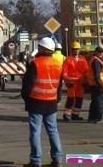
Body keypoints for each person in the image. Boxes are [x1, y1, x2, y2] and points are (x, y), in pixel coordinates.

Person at [21, 37, 63, 167]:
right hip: (51, 102)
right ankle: (57, 159)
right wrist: (58, 98)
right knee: (53, 130)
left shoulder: (36, 63)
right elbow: (59, 85)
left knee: (35, 132)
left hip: (36, 101)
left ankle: (36, 160)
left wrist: (25, 97)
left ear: (42, 49)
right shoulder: (57, 64)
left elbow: (28, 84)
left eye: (39, 47)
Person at [61, 41, 89, 121]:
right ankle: (66, 114)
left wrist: (86, 80)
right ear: (72, 50)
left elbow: (86, 70)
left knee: (79, 99)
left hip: (80, 82)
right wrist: (66, 81)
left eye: (77, 49)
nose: (76, 51)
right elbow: (64, 71)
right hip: (72, 83)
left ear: (79, 50)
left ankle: (75, 115)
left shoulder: (82, 59)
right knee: (71, 99)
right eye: (74, 49)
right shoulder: (68, 60)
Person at [86, 45, 103, 124]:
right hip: (98, 85)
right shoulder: (96, 61)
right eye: (100, 52)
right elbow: (97, 74)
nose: (101, 53)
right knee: (99, 102)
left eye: (102, 52)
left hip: (93, 84)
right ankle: (99, 118)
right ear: (96, 52)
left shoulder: (94, 60)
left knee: (95, 101)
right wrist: (100, 84)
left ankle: (92, 117)